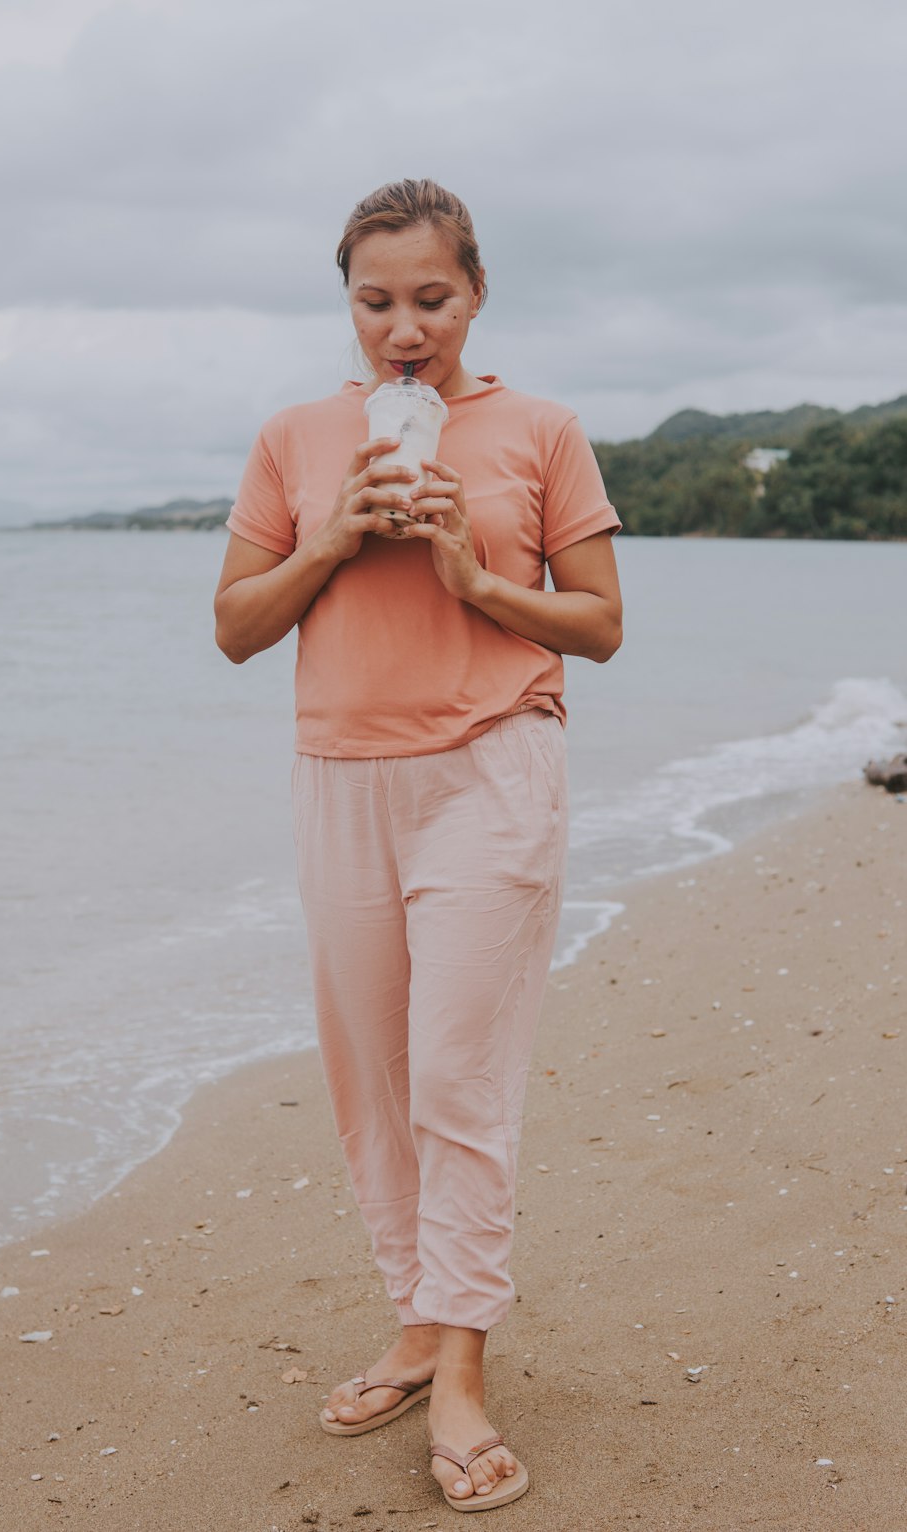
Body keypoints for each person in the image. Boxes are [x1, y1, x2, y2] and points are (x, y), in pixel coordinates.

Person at [214, 178, 622, 1513]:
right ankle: (415, 1315)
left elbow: (601, 623)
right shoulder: (293, 436)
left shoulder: (540, 429)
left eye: (430, 298)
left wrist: (473, 575)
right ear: (349, 302)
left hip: (493, 768)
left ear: (476, 293)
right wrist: (335, 538)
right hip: (343, 779)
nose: (404, 327)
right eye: (376, 300)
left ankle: (462, 1372)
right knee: (370, 1079)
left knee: (457, 1075)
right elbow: (235, 625)